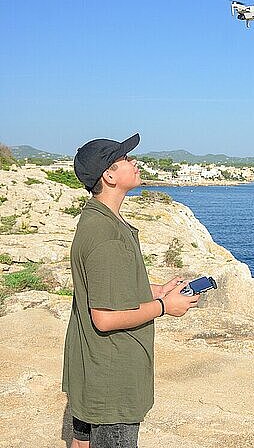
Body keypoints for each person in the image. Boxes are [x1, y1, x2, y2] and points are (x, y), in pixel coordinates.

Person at [62, 132, 199, 448]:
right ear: (108, 175)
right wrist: (166, 306)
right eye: (125, 158)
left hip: (90, 367)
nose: (134, 162)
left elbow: (106, 285)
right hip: (112, 377)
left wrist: (156, 289)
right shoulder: (106, 234)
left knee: (82, 442)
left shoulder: (99, 219)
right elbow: (105, 318)